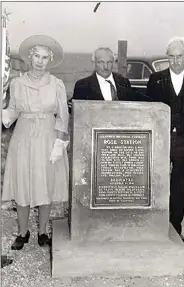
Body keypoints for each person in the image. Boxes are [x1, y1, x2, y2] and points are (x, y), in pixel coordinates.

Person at [2, 35, 69, 250]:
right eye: (37, 56)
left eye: (45, 57)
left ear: (50, 60)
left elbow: (62, 115)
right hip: (23, 137)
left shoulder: (57, 84)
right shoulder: (17, 83)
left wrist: (59, 142)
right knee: (23, 182)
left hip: (48, 137)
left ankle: (42, 232)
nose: (40, 61)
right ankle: (23, 232)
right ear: (30, 58)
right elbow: (11, 112)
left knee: (45, 183)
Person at [147, 36, 184, 242]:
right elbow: (150, 113)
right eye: (171, 56)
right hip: (161, 142)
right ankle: (156, 227)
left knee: (180, 188)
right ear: (167, 57)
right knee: (157, 185)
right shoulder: (156, 79)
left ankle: (175, 228)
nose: (175, 60)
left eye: (179, 56)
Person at [72, 47, 148, 102]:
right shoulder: (82, 86)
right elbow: (78, 113)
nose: (105, 67)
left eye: (109, 62)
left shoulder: (123, 82)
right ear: (94, 63)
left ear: (114, 63)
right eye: (101, 62)